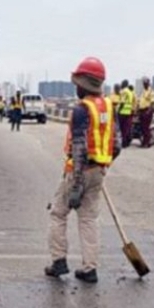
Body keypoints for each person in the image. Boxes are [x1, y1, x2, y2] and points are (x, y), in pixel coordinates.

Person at [44, 56, 119, 284]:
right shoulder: (108, 106)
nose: (76, 87)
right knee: (88, 219)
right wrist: (103, 165)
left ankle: (59, 262)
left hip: (79, 171)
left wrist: (76, 183)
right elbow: (117, 144)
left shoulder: (81, 110)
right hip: (98, 170)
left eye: (77, 83)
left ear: (83, 84)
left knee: (58, 213)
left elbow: (79, 149)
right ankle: (89, 269)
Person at [136, 77, 154, 147]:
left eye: (145, 83)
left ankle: (147, 143)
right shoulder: (143, 92)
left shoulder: (151, 92)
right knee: (142, 128)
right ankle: (143, 142)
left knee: (145, 128)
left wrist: (148, 112)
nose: (144, 85)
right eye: (143, 83)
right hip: (141, 111)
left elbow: (152, 103)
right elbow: (140, 101)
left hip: (147, 111)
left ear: (148, 83)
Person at [118, 80, 136, 148]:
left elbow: (122, 102)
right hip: (128, 112)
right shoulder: (130, 92)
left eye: (122, 83)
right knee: (126, 129)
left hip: (122, 112)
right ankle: (125, 143)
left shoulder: (124, 91)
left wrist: (119, 111)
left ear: (124, 84)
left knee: (121, 129)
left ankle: (122, 143)